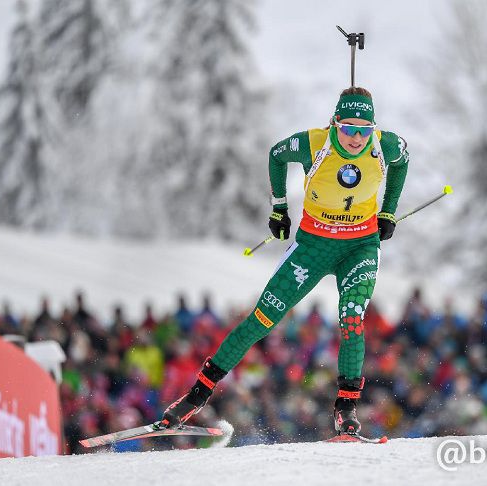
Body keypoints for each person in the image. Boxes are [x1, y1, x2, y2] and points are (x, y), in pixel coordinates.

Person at [161, 86, 409, 436]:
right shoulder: (314, 143)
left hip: (360, 247)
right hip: (312, 247)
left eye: (364, 130)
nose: (356, 138)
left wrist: (389, 211)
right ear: (335, 123)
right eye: (348, 128)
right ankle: (197, 395)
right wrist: (279, 207)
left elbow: (403, 162)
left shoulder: (386, 145)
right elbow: (277, 155)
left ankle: (346, 407)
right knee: (261, 319)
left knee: (352, 316)